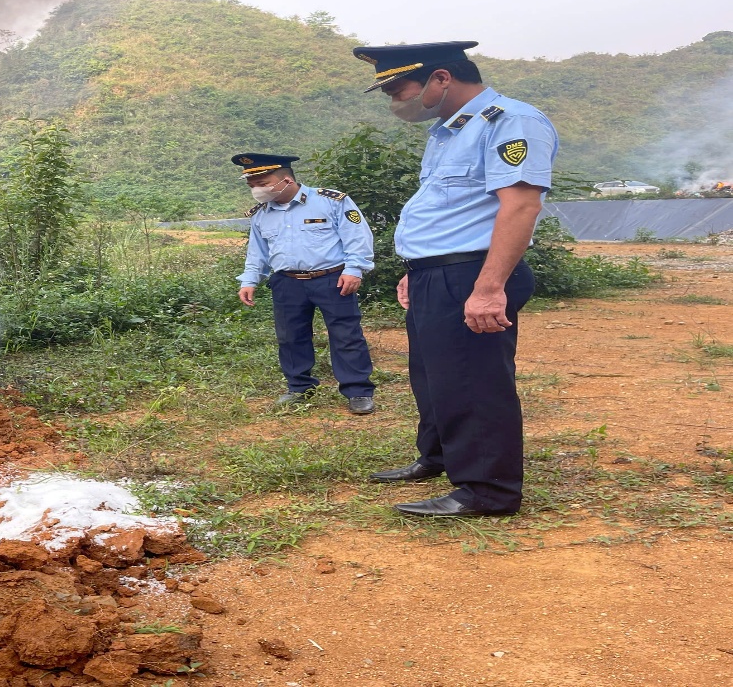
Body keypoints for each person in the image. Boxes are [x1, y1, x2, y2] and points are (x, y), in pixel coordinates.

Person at [353, 41, 558, 517]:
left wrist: (488, 288)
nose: (393, 101)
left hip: (473, 272)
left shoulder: (511, 122)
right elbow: (450, 211)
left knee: (474, 380)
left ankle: (487, 490)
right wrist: (417, 269)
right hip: (437, 274)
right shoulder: (448, 132)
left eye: (397, 88)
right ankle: (440, 456)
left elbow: (520, 206)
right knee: (433, 376)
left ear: (441, 77)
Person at [233, 153, 376, 415]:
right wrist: (250, 280)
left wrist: (355, 269)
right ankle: (299, 387)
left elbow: (357, 237)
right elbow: (258, 252)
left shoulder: (331, 201)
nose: (257, 190)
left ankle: (358, 391)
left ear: (286, 180)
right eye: (252, 185)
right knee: (290, 337)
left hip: (332, 279)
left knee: (346, 335)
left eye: (262, 183)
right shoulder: (261, 215)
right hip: (287, 282)